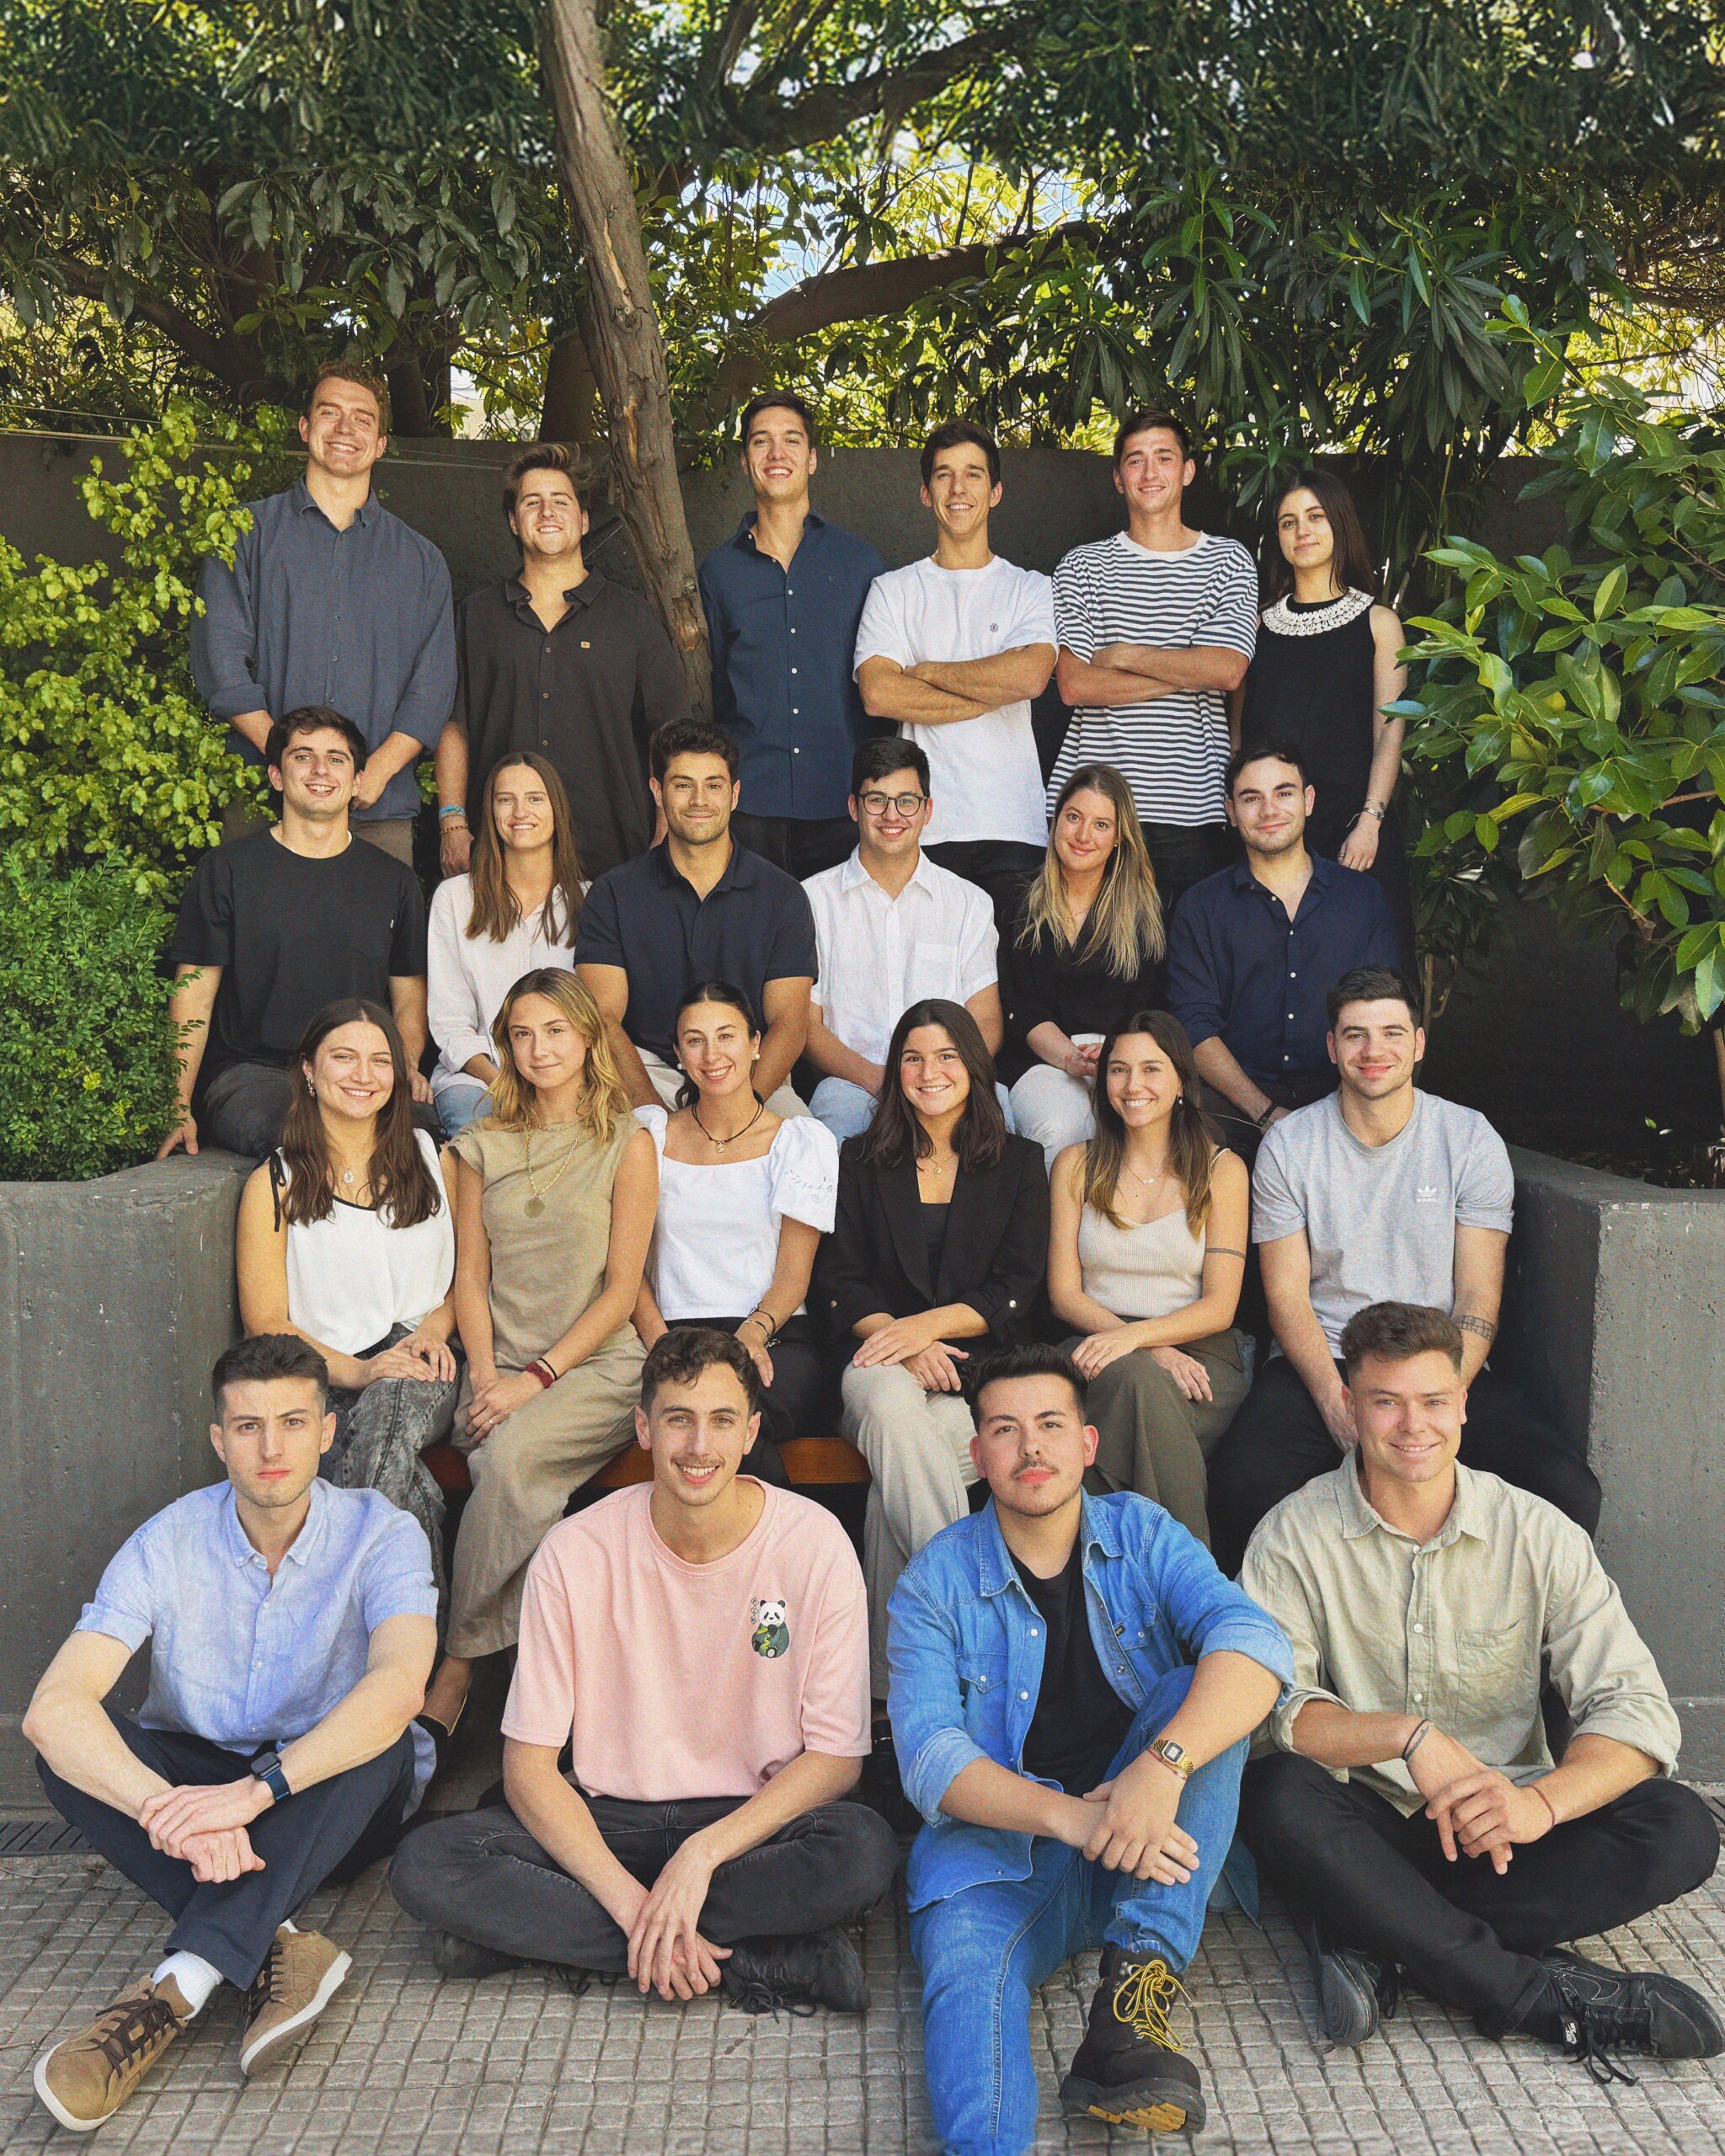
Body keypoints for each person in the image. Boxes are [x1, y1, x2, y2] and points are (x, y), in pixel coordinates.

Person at [1239, 1300, 1722, 2080]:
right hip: (1369, 1824)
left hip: (1506, 1831)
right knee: (1274, 1794)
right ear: (1350, 1406)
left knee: (1679, 1826)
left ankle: (1377, 1930)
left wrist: (1541, 1803)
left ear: (1464, 1403)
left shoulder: (1537, 1532)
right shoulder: (1293, 1535)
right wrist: (1406, 1737)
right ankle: (1529, 1996)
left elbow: (1632, 1708)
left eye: (1433, 1400)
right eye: (1386, 1402)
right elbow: (1272, 1711)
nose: (1412, 1426)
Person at [389, 1328, 900, 2013]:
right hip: (610, 1819)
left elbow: (837, 1759)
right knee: (430, 1864)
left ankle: (532, 1940)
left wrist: (701, 1857)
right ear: (644, 1428)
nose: (698, 1446)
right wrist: (634, 1908)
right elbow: (530, 1768)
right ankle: (756, 1957)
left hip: (748, 1822)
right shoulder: (576, 1551)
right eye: (678, 1420)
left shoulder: (812, 1543)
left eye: (721, 1421)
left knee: (862, 1849)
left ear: (751, 1433)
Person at [25, 1333, 438, 2132]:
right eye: (248, 1427)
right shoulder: (168, 1539)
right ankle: (279, 1939)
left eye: (292, 1421)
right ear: (220, 1441)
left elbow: (399, 1686)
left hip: (325, 1793)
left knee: (380, 1737)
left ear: (328, 1431)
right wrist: (171, 1809)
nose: (272, 1447)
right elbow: (55, 1706)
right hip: (200, 1779)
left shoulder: (382, 1534)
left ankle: (175, 1989)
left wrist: (253, 1796)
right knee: (67, 1752)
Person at [889, 1345, 1292, 2152]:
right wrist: (1076, 1820)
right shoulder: (932, 1585)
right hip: (1001, 1854)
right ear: (977, 1456)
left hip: (1145, 1848)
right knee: (967, 1995)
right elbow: (930, 1758)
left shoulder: (1141, 1533)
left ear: (1087, 1443)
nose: (1030, 1447)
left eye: (1049, 1425)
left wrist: (1160, 1767)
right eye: (1004, 1430)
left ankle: (1130, 2007)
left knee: (1196, 1694)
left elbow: (1256, 1646)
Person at [1206, 968, 1604, 1573]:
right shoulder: (1291, 1146)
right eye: (1356, 1034)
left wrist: (1446, 1397)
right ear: (1332, 1046)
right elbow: (1286, 1298)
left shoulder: (1468, 1139)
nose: (1374, 1051)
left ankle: (1504, 1644)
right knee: (1241, 1487)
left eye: (1392, 1032)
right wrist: (1339, 1403)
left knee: (1566, 1489)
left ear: (1418, 1044)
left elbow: (1477, 1297)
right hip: (1329, 1359)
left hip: (1441, 1360)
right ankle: (1278, 1656)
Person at [418, 970, 654, 1742]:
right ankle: (551, 1681)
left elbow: (623, 1290)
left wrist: (537, 1380)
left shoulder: (628, 1142)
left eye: (555, 1030)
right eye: (522, 1033)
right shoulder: (477, 1146)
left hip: (595, 1366)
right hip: (500, 1363)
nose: (539, 1048)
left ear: (588, 1038)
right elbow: (471, 1276)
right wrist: (486, 1376)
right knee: (494, 1456)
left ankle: (457, 1663)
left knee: (511, 1463)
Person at [814, 1000, 1049, 1694]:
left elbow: (1019, 1284)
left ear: (974, 1068)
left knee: (902, 1464)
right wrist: (902, 1341)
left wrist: (930, 1328)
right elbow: (840, 1280)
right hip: (874, 1359)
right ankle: (977, 1616)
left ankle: (891, 1698)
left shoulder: (1019, 1162)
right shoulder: (859, 1160)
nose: (930, 1071)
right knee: (889, 1405)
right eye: (913, 1057)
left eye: (947, 1056)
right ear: (895, 1071)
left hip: (973, 1372)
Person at [234, 998, 457, 1612]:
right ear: (309, 1069)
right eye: (344, 1057)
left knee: (388, 1408)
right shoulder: (274, 1184)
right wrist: (358, 1370)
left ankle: (337, 1618)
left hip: (424, 1358)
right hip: (326, 1371)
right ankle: (415, 1647)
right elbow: (268, 1324)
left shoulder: (432, 1157)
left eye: (381, 1061)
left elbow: (463, 1282)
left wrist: (429, 1337)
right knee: (403, 1477)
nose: (364, 1075)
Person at [190, 362, 454, 862]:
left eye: (363, 419)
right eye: (330, 412)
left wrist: (371, 772)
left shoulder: (421, 561)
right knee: (253, 939)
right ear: (306, 428)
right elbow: (220, 664)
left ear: (379, 444)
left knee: (374, 941)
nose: (345, 429)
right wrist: (289, 763)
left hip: (375, 807)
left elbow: (433, 689)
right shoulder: (244, 533)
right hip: (262, 803)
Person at [158, 707, 430, 1162]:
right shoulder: (227, 871)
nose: (321, 770)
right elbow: (194, 997)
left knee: (421, 1137)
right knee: (304, 1136)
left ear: (358, 780)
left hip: (356, 1069)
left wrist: (402, 1067)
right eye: (303, 757)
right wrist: (177, 1103)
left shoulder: (394, 881)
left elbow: (408, 997)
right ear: (277, 776)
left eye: (336, 759)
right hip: (254, 1074)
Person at [434, 444, 689, 882]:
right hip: (501, 849)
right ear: (514, 521)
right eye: (532, 502)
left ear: (584, 520)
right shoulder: (476, 617)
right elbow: (453, 726)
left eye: (561, 501)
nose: (547, 512)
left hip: (611, 853)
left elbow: (668, 732)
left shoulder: (631, 618)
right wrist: (453, 823)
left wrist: (667, 828)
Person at [1048, 1014, 1249, 1546]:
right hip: (1094, 1345)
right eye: (1118, 1070)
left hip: (1202, 1356)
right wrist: (1139, 1346)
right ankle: (1192, 1589)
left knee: (1094, 1444)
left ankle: (1097, 1583)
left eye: (1151, 1069)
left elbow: (1221, 1305)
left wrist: (1141, 1341)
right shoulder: (1075, 1165)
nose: (1133, 1086)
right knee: (1136, 1381)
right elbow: (1065, 1293)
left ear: (1182, 1080)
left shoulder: (1222, 1170)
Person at [1049, 410, 1258, 908]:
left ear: (1187, 470)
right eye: (1135, 461)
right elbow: (1076, 686)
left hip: (1195, 810)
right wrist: (1190, 668)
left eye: (1164, 458)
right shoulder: (1082, 566)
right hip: (1096, 815)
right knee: (1100, 977)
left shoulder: (1228, 561)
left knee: (1187, 976)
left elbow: (1228, 670)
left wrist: (1123, 655)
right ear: (1118, 478)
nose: (1150, 473)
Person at [853, 419, 1057, 929]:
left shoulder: (1030, 588)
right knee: (930, 995)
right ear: (926, 494)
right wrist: (993, 688)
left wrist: (926, 673)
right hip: (923, 825)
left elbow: (1030, 678)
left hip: (1013, 824)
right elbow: (878, 693)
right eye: (944, 476)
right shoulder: (893, 590)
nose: (958, 489)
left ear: (996, 491)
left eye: (973, 475)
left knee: (1010, 993)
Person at [633, 981, 840, 1470]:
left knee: (730, 1419)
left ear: (755, 1045)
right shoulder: (650, 1136)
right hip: (670, 1330)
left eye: (726, 1036)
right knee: (705, 1419)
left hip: (772, 1334)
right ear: (680, 1054)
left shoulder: (800, 1141)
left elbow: (794, 1273)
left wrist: (753, 1332)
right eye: (695, 1040)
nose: (712, 1054)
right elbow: (629, 1266)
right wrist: (661, 1342)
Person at [1166, 741, 1398, 1155]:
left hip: (1345, 1102)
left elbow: (1383, 1010)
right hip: (1232, 1109)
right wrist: (1265, 1112)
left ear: (1308, 801)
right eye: (1251, 798)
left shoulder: (1360, 898)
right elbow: (1194, 1024)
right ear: (1231, 811)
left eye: (1284, 793)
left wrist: (1346, 1112)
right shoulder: (1200, 907)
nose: (1269, 811)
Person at [575, 718, 816, 1115]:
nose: (699, 800)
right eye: (683, 785)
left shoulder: (783, 895)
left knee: (810, 1149)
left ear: (735, 794)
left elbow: (790, 1023)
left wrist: (743, 1110)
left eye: (714, 785)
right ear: (658, 791)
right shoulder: (614, 893)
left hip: (751, 1077)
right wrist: (654, 1117)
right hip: (648, 1074)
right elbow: (602, 1018)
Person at [697, 392, 886, 879]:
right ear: (745, 462)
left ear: (813, 458)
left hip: (842, 801)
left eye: (791, 441)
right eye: (762, 442)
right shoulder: (718, 572)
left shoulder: (860, 563)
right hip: (750, 805)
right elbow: (716, 688)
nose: (777, 455)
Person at [1236, 469, 1416, 970]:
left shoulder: (1379, 623)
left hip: (1354, 830)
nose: (1302, 531)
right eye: (1288, 522)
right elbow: (1240, 734)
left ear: (1340, 524)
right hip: (1272, 830)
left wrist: (1371, 820)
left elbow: (1390, 731)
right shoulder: (1257, 625)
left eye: (1315, 517)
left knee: (1370, 980)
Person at [803, 739, 1004, 1144]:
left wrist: (942, 1078)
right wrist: (878, 1080)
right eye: (877, 799)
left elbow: (986, 1021)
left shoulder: (968, 903)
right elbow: (806, 1025)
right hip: (853, 1084)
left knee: (1001, 1141)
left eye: (907, 801)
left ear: (927, 810)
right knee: (830, 1150)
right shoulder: (811, 900)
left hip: (950, 1082)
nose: (892, 815)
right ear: (853, 807)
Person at [1000, 763, 1167, 1167]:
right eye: (1073, 817)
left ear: (1118, 838)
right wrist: (1071, 1058)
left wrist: (1110, 1055)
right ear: (1056, 821)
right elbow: (1023, 1010)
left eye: (1101, 825)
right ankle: (1056, 1230)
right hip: (1042, 1057)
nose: (1082, 835)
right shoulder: (1019, 902)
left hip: (1122, 1055)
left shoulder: (1145, 912)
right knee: (1062, 1125)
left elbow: (1147, 1009)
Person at [427, 751, 585, 1138]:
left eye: (534, 798)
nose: (519, 812)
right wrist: (503, 1083)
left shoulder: (590, 901)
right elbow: (450, 1023)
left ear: (556, 809)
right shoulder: (455, 898)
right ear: (491, 812)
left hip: (567, 1078)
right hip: (480, 1080)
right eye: (505, 799)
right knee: (482, 1136)